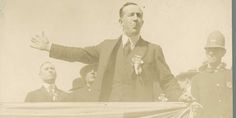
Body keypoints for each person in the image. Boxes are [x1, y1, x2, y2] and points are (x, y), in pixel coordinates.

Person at [30, 2, 181, 101]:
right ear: (120, 21)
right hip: (109, 110)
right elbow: (80, 53)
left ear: (143, 21)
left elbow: (167, 80)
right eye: (131, 15)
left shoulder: (153, 49)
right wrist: (50, 47)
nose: (135, 19)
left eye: (139, 15)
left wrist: (181, 96)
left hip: (140, 112)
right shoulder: (107, 47)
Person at [191, 31, 232, 118]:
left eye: (215, 50)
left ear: (223, 52)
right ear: (205, 51)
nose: (211, 53)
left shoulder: (231, 76)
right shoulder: (197, 79)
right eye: (209, 50)